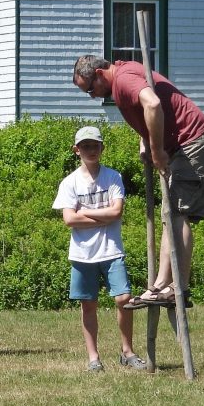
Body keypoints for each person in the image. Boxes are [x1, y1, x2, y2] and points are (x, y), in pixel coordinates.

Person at [73, 55, 204, 307]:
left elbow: (152, 104)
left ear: (99, 73)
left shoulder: (123, 80)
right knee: (170, 214)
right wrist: (145, 138)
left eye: (90, 89)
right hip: (184, 145)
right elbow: (149, 110)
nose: (92, 96)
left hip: (190, 143)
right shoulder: (126, 72)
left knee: (176, 214)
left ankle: (176, 288)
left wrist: (156, 149)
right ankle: (162, 285)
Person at [52, 127, 145, 372]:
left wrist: (85, 212)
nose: (90, 150)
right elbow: (69, 220)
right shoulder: (69, 182)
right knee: (88, 304)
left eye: (95, 145)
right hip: (82, 253)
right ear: (76, 150)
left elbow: (117, 212)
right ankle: (93, 357)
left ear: (102, 148)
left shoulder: (113, 177)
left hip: (112, 249)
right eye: (85, 146)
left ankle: (127, 351)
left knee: (124, 299)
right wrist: (102, 217)